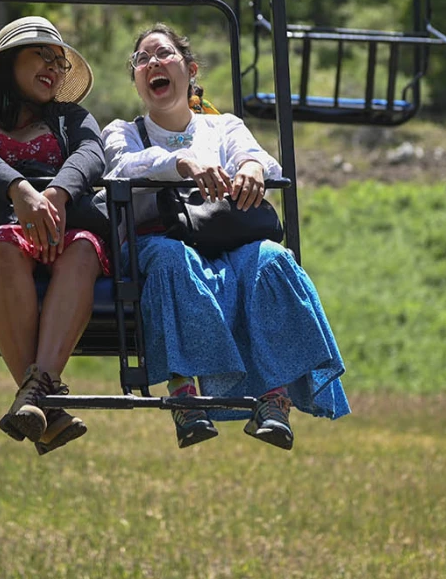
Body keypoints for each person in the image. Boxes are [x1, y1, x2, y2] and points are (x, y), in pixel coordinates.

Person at [101, 23, 349, 451]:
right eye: (143, 60)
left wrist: (251, 166)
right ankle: (185, 395)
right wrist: (181, 162)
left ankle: (274, 398)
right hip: (159, 244)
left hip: (226, 242)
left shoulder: (222, 126)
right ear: (138, 81)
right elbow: (123, 168)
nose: (153, 64)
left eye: (163, 55)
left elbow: (260, 161)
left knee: (272, 258)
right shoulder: (124, 132)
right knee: (172, 260)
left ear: (190, 69)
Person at [0, 16, 109, 456]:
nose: (53, 67)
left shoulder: (69, 119)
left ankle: (34, 397)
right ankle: (46, 396)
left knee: (86, 248)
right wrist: (18, 189)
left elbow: (92, 152)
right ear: (8, 61)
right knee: (5, 249)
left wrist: (57, 195)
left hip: (54, 230)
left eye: (60, 61)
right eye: (41, 54)